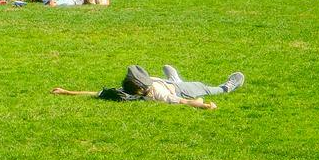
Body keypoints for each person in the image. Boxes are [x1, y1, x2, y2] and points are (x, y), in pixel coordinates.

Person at [52, 65, 242, 107]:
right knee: (203, 87)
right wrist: (204, 105)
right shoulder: (157, 93)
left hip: (167, 84)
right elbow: (182, 101)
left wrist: (66, 92)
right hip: (176, 90)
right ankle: (227, 87)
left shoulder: (125, 92)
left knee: (174, 81)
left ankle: (175, 78)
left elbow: (95, 93)